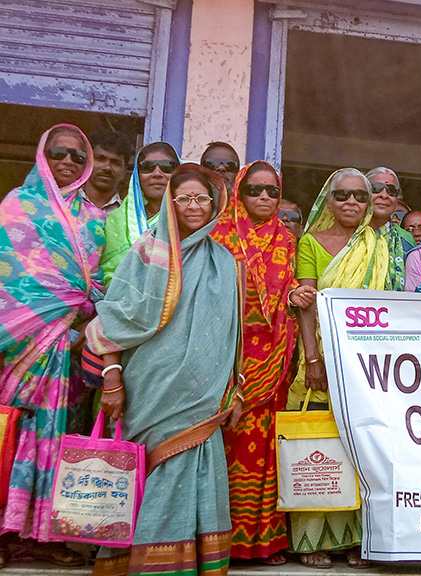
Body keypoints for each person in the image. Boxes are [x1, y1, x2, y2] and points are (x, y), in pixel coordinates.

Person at [85, 164, 243, 576]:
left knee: (196, 474)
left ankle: (187, 564)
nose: (193, 205)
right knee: (152, 474)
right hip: (150, 389)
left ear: (215, 205)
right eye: (184, 198)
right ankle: (141, 565)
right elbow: (112, 317)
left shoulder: (225, 261)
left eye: (201, 198)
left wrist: (234, 390)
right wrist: (112, 377)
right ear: (170, 204)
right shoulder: (146, 251)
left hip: (204, 396)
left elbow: (231, 333)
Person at [0, 124, 103, 567]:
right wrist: (50, 308)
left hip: (71, 347)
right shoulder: (14, 207)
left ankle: (51, 537)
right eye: (59, 153)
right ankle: (6, 534)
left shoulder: (96, 219)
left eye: (78, 157)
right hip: (20, 343)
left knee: (62, 436)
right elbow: (8, 279)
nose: (67, 162)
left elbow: (98, 283)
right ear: (43, 154)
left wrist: (85, 306)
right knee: (13, 433)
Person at [210, 161, 314, 565]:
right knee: (223, 448)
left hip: (272, 362)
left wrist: (294, 298)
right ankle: (217, 540)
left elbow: (283, 291)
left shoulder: (286, 240)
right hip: (225, 360)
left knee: (265, 450)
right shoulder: (218, 234)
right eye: (256, 190)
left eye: (273, 191)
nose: (266, 198)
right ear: (239, 191)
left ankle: (260, 540)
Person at [286, 168, 389, 569]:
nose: (352, 203)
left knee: (361, 446)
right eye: (343, 196)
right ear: (328, 201)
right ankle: (312, 541)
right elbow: (306, 305)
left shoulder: (378, 245)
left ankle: (357, 539)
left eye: (360, 197)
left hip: (365, 363)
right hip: (321, 359)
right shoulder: (310, 242)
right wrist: (313, 359)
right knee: (318, 445)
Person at [100, 142, 181, 287]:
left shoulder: (190, 217)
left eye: (167, 167)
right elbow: (108, 270)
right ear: (137, 176)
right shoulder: (118, 219)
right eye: (148, 167)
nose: (157, 174)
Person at [366, 167, 416, 290]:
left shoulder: (406, 239)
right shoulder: (348, 233)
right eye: (376, 188)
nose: (384, 195)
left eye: (391, 191)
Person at [81, 130, 132, 215]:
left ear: (124, 172)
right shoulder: (65, 204)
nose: (107, 167)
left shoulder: (129, 216)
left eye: (115, 162)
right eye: (100, 159)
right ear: (87, 163)